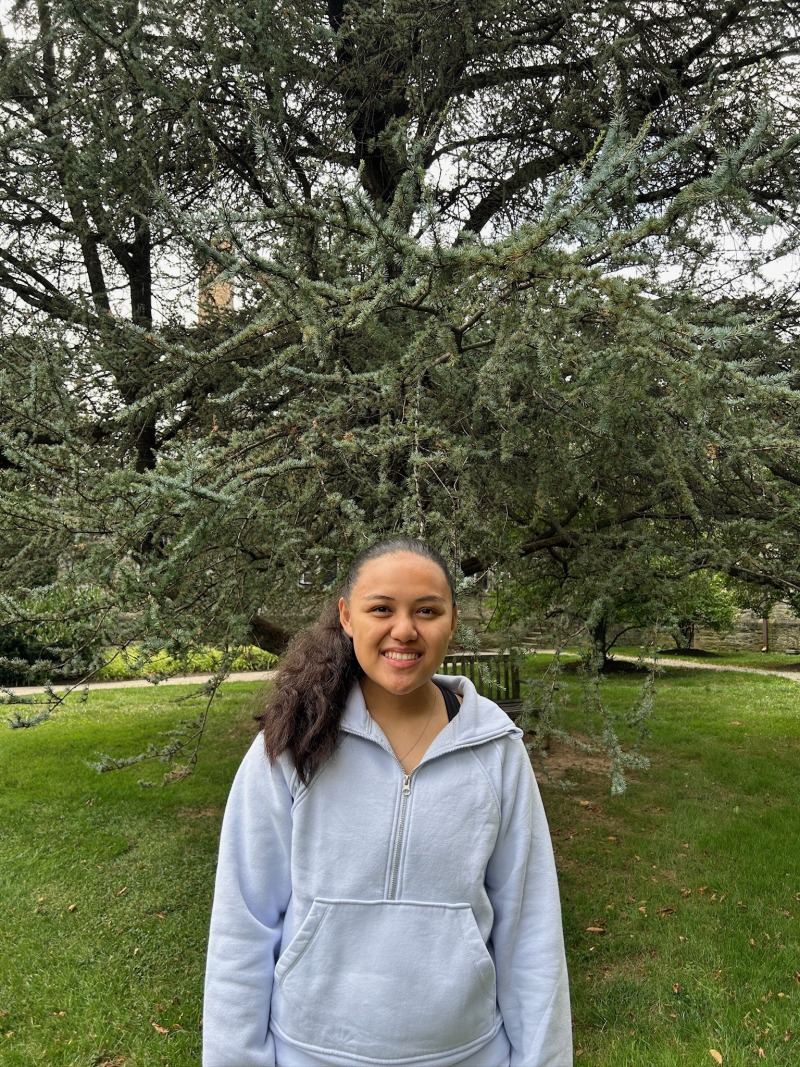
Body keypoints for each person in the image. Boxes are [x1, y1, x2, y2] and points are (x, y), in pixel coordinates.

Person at [203, 537, 572, 1067]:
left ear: (452, 620)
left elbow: (530, 929)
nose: (405, 630)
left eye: (427, 610)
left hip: (468, 1053)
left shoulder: (497, 752)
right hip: (310, 1053)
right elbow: (243, 925)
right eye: (382, 609)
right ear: (347, 617)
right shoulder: (291, 747)